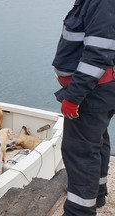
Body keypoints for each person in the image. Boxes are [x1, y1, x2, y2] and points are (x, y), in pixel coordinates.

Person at [52, 1, 115, 215]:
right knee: (96, 142)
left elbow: (97, 55)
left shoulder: (101, 2)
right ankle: (97, 194)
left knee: (80, 152)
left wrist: (74, 97)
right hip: (102, 90)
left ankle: (79, 211)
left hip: (92, 93)